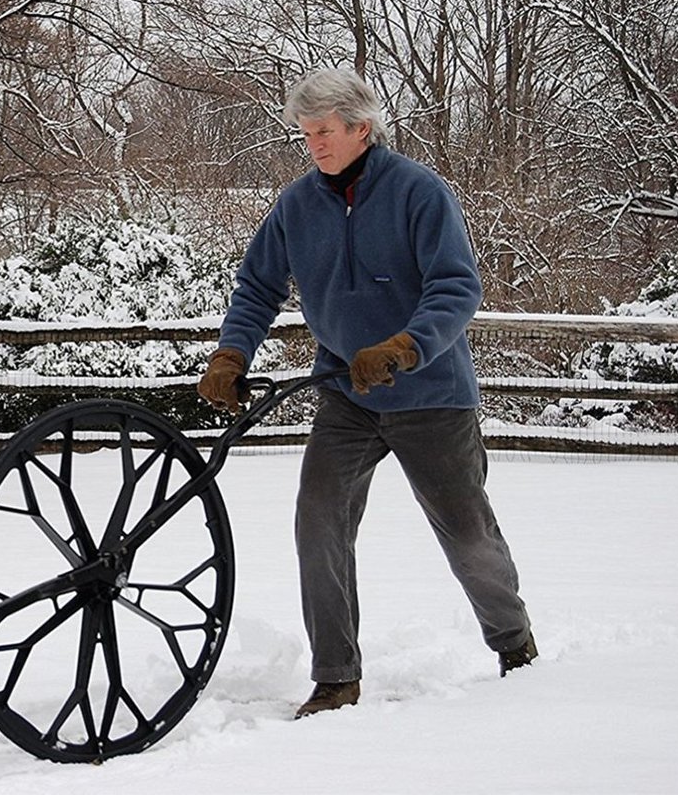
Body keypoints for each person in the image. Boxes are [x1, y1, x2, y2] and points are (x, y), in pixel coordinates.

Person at [198, 68, 537, 720]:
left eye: (324, 132)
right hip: (347, 394)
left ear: (361, 127)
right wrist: (231, 354)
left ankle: (515, 644)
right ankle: (336, 678)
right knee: (318, 520)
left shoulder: (419, 193)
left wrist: (405, 347)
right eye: (306, 134)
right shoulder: (297, 205)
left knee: (466, 532)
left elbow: (456, 287)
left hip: (431, 392)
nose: (315, 145)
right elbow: (257, 287)